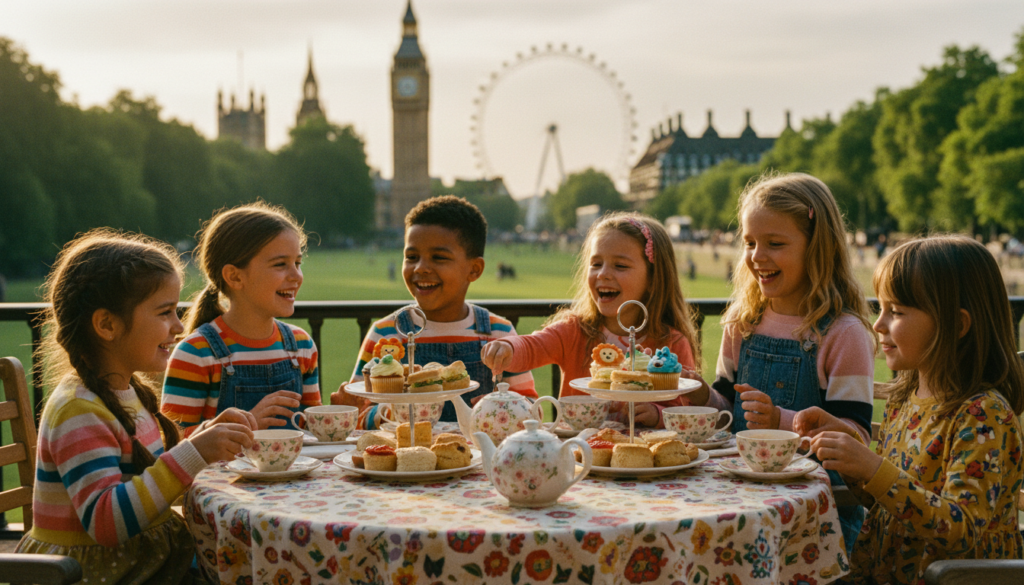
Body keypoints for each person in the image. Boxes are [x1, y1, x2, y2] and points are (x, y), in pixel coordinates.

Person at [16, 229, 255, 583]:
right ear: (107, 324)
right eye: (165, 312)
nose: (178, 326)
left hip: (142, 567)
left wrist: (204, 439)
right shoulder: (78, 410)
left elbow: (144, 477)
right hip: (92, 576)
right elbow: (107, 523)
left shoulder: (125, 393)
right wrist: (191, 453)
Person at [806, 236, 1024, 583]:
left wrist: (873, 467)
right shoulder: (905, 397)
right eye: (880, 309)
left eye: (896, 312)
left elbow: (961, 529)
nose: (878, 325)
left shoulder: (983, 416)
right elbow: (892, 500)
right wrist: (852, 456)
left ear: (958, 326)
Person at [685, 173, 875, 556]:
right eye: (750, 243)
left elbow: (854, 436)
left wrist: (781, 422)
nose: (757, 257)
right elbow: (726, 408)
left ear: (817, 248)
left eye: (775, 243)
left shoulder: (843, 333)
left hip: (815, 520)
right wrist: (699, 393)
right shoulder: (743, 322)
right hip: (738, 503)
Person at [331, 195, 536, 428]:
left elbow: (531, 408)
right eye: (411, 257)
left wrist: (503, 409)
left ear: (474, 269)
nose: (420, 268)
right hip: (407, 459)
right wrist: (390, 411)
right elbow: (357, 413)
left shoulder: (499, 333)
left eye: (438, 257)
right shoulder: (386, 334)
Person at [482, 212, 701, 428]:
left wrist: (657, 415)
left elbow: (685, 411)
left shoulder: (672, 343)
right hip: (580, 455)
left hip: (644, 459)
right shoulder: (574, 331)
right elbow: (533, 346)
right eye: (596, 264)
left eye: (620, 266)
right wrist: (508, 346)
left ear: (654, 279)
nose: (603, 274)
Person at [161, 202, 321, 435]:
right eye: (280, 264)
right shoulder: (196, 354)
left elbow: (311, 431)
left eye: (297, 263)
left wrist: (345, 411)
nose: (296, 276)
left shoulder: (302, 346)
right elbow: (172, 443)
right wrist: (247, 423)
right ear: (234, 277)